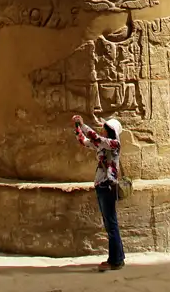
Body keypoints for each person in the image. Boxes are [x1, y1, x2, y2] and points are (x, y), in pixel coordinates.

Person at [73, 115, 125, 271]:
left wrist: (83, 125)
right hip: (102, 186)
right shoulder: (102, 145)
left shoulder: (114, 144)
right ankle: (118, 258)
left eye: (105, 127)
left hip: (107, 186)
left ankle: (115, 260)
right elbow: (85, 141)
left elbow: (94, 137)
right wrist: (77, 128)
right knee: (110, 224)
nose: (102, 128)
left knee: (111, 224)